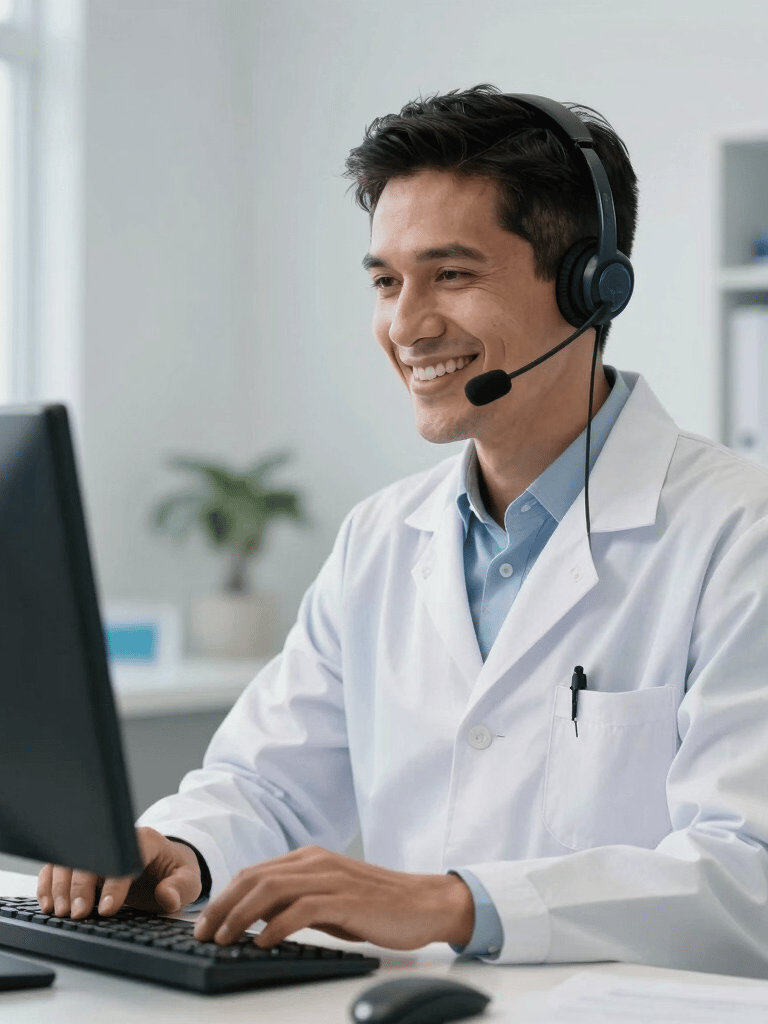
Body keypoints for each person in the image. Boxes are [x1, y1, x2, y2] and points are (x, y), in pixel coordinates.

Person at [38, 85, 768, 976]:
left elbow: (749, 876)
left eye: (451, 275)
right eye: (387, 280)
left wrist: (453, 903)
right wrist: (183, 849)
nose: (405, 325)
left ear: (590, 285)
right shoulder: (383, 536)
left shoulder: (738, 534)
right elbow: (268, 782)